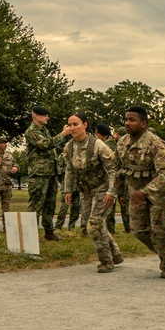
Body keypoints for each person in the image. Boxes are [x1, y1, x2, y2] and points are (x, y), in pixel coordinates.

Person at [116, 106, 165, 278]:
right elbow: (118, 169)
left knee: (160, 231)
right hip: (136, 193)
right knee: (138, 231)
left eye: (132, 120)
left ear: (143, 124)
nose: (127, 123)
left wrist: (145, 192)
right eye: (126, 119)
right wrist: (119, 192)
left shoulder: (156, 145)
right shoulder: (122, 143)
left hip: (161, 194)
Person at [62, 112, 123, 272]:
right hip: (85, 192)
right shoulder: (69, 147)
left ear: (85, 125)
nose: (72, 128)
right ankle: (116, 254)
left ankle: (107, 261)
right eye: (70, 125)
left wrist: (112, 191)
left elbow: (113, 169)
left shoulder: (98, 145)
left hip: (103, 190)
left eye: (76, 124)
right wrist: (68, 190)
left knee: (94, 225)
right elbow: (69, 169)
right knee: (96, 223)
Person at [24, 105, 68, 241]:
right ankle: (29, 234)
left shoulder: (44, 130)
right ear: (36, 116)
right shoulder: (32, 131)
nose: (47, 117)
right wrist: (63, 134)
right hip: (39, 173)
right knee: (36, 204)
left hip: (50, 172)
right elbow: (45, 144)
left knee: (50, 204)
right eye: (45, 115)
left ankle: (49, 231)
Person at [96, 123, 120, 234]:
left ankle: (109, 229)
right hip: (113, 176)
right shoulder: (113, 143)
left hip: (106, 177)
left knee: (108, 204)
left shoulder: (106, 144)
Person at [113, 127, 131, 232]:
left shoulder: (120, 146)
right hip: (121, 178)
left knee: (124, 204)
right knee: (124, 204)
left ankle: (128, 227)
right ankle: (127, 227)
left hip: (122, 179)